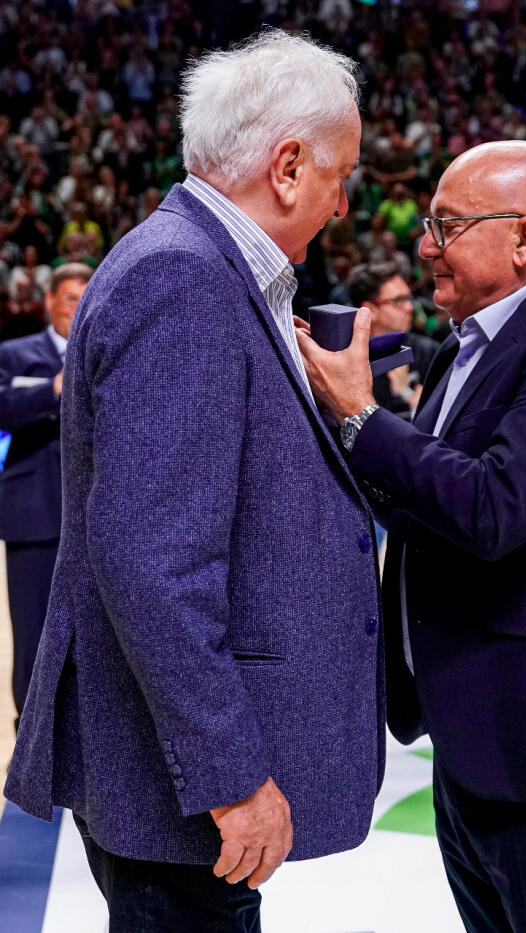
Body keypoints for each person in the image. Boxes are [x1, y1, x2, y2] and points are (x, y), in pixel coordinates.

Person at [5, 31, 383, 933]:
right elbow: (153, 560)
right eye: (341, 177)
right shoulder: (184, 276)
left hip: (167, 778)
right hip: (178, 790)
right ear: (288, 166)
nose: (340, 205)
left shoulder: (190, 262)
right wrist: (232, 775)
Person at [297, 140, 526, 933]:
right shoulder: (466, 342)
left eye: (447, 225)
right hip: (475, 737)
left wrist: (362, 417)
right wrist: (329, 428)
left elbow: (493, 509)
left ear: (523, 238)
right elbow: (430, 511)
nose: (425, 245)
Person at [0, 263, 91, 732]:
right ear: (50, 301)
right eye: (71, 299)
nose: (78, 310)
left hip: (94, 518)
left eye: (85, 298)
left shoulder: (106, 353)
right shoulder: (15, 354)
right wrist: (53, 390)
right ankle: (32, 734)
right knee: (33, 630)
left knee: (92, 634)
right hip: (34, 515)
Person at [346, 261, 438, 417]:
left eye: (408, 298)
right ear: (370, 310)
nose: (409, 307)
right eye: (398, 300)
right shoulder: (347, 361)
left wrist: (407, 394)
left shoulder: (429, 351)